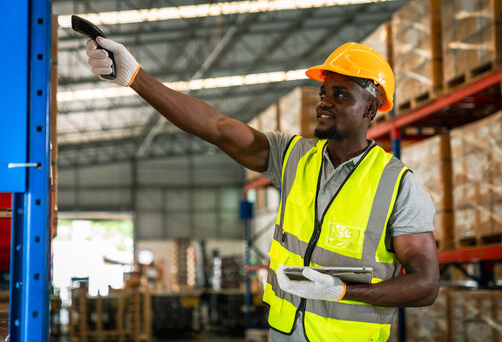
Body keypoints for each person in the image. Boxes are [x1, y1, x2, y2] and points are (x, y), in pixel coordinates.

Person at [84, 39, 440, 341]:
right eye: (323, 93)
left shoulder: (398, 185)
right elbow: (218, 127)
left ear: (372, 108)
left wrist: (346, 292)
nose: (324, 102)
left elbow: (425, 284)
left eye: (340, 95)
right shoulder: (294, 156)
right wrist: (136, 77)